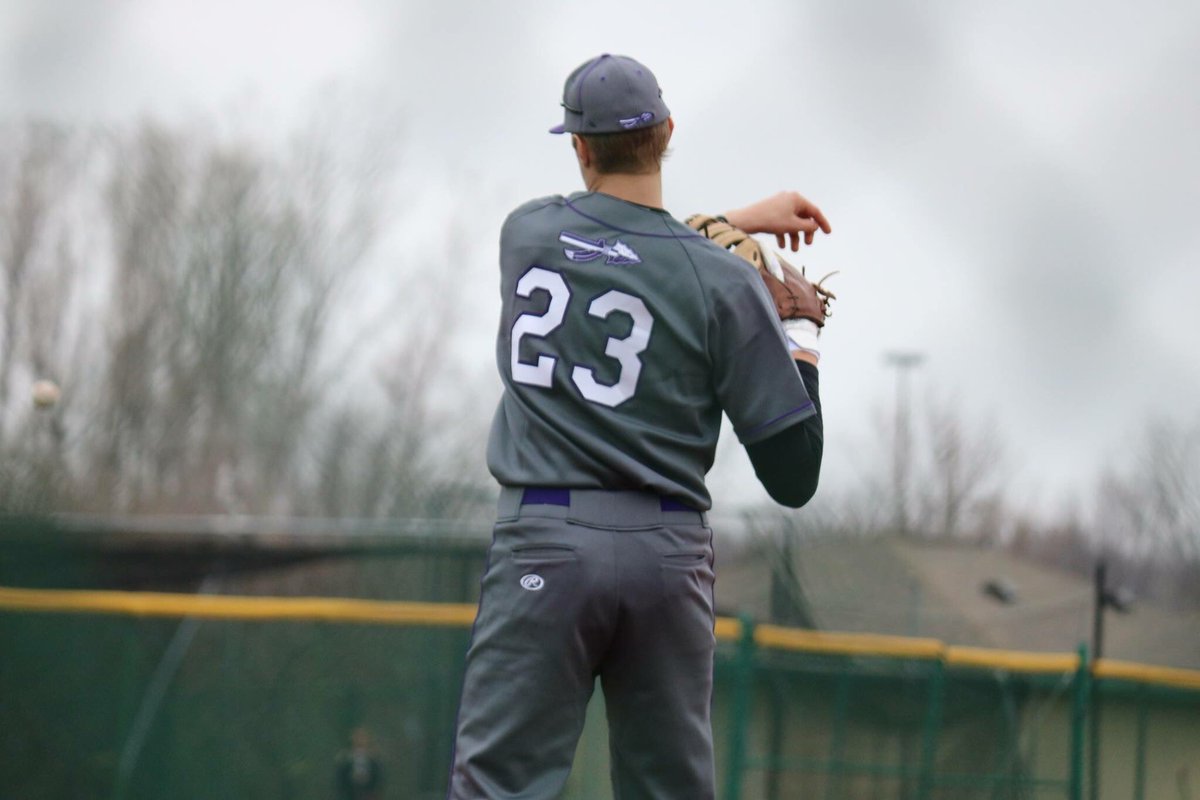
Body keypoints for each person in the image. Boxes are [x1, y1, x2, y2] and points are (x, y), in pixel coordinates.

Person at [447, 53, 831, 800]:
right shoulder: (721, 283)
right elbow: (794, 476)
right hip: (667, 556)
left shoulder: (525, 233)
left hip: (545, 540)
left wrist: (735, 220)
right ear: (668, 133)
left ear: (580, 148)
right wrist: (801, 342)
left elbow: (631, 248)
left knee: (498, 787)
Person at [335, 726, 383, 800]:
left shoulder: (374, 758)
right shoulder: (345, 757)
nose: (360, 740)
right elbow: (340, 777)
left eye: (363, 737)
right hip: (350, 792)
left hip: (368, 793)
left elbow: (378, 777)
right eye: (357, 737)